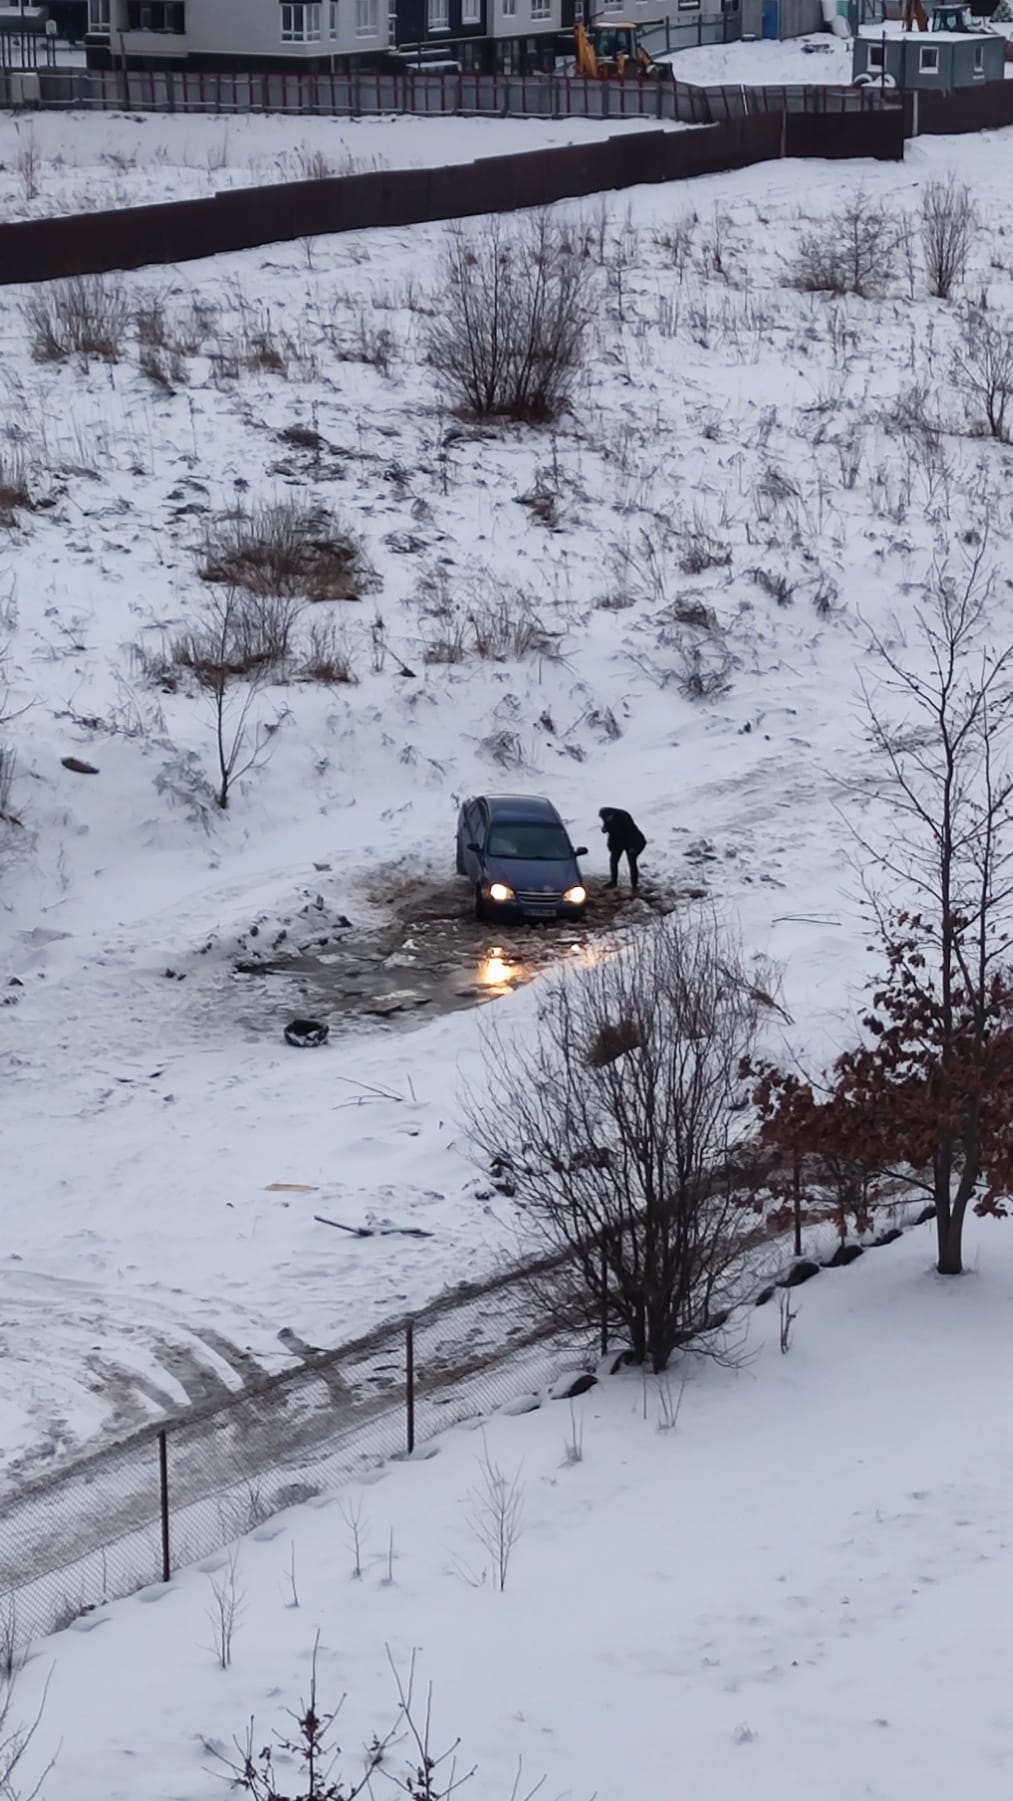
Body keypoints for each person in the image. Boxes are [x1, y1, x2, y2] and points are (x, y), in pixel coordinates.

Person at [599, 807, 646, 891]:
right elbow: (611, 833)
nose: (606, 820)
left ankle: (634, 886)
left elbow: (631, 832)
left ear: (611, 815)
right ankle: (613, 882)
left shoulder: (623, 817)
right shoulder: (607, 819)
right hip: (618, 843)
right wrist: (605, 830)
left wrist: (632, 847)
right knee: (613, 861)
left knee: (632, 862)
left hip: (634, 842)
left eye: (607, 818)